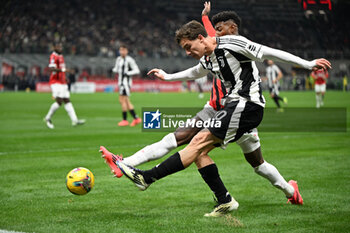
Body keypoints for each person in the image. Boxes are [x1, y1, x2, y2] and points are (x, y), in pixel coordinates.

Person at [101, 4, 311, 218]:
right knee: (206, 151)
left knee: (217, 150)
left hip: (244, 108)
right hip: (224, 109)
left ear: (231, 28)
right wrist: (168, 76)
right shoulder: (210, 55)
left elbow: (270, 52)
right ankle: (269, 194)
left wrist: (308, 64)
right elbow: (197, 69)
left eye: (219, 29)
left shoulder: (236, 44)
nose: (215, 32)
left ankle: (145, 177)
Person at [44, 42, 85, 129]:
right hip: (56, 82)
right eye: (58, 47)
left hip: (62, 82)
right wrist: (65, 70)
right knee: (59, 102)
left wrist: (64, 77)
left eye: (61, 46)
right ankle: (48, 118)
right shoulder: (53, 56)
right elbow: (51, 69)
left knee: (67, 100)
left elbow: (61, 70)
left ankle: (75, 120)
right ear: (54, 47)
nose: (60, 48)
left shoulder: (61, 56)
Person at [112, 45, 142, 126]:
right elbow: (116, 68)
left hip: (126, 84)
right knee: (123, 101)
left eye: (123, 50)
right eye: (120, 50)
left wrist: (128, 73)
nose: (122, 52)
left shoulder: (129, 60)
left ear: (127, 51)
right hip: (120, 83)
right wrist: (114, 70)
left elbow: (137, 70)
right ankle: (136, 118)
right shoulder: (118, 59)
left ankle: (126, 120)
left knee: (124, 101)